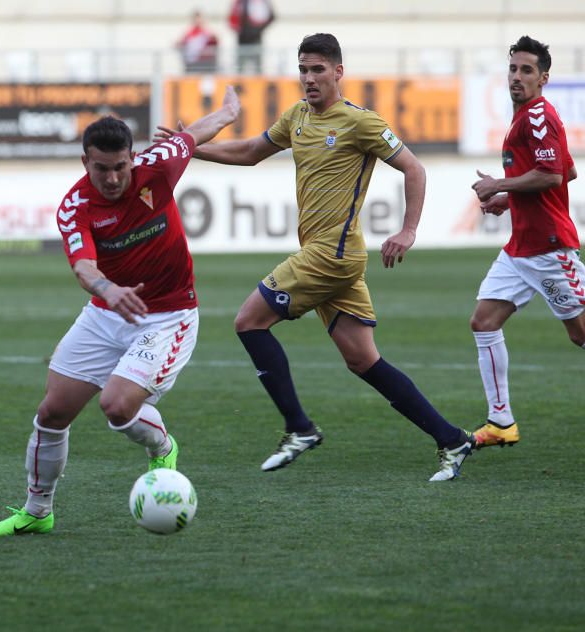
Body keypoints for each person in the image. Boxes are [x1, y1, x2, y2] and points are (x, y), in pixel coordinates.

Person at [164, 33, 474, 481]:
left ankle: (299, 428)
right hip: (326, 254)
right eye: (303, 69)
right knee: (363, 360)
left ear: (338, 72)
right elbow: (251, 152)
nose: (309, 78)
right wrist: (192, 147)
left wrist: (408, 230)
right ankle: (452, 438)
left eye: (318, 70)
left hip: (334, 254)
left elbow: (414, 168)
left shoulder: (360, 123)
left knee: (248, 321)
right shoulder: (297, 117)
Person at [0, 89, 240, 537]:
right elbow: (83, 266)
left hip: (169, 315)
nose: (113, 178)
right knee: (52, 412)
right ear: (85, 163)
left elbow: (193, 135)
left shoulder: (157, 167)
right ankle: (37, 512)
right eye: (101, 168)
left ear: (133, 158)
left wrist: (230, 111)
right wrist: (107, 289)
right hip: (105, 310)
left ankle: (163, 445)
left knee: (117, 407)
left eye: (120, 167)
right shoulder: (76, 206)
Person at [469, 36, 584, 449]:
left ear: (544, 78)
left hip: (550, 249)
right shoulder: (527, 117)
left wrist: (498, 183)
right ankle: (501, 423)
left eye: (527, 70)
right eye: (513, 69)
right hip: (521, 249)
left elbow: (552, 176)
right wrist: (508, 198)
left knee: (581, 334)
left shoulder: (537, 116)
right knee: (483, 322)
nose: (517, 77)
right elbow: (566, 172)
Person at [229, 0, 274, 74]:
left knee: (257, 66)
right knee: (240, 66)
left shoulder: (262, 2)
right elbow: (233, 18)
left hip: (255, 39)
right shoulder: (240, 2)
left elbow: (271, 16)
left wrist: (258, 29)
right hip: (242, 39)